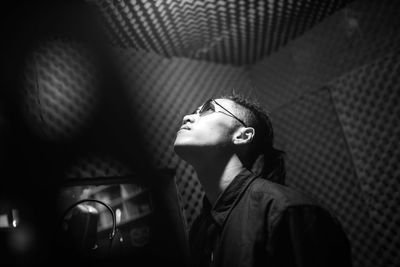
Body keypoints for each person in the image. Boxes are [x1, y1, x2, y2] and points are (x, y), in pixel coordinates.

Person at [173, 94, 352, 267]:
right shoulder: (200, 229)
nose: (188, 117)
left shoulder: (286, 210)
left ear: (242, 135)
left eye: (207, 110)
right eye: (195, 112)